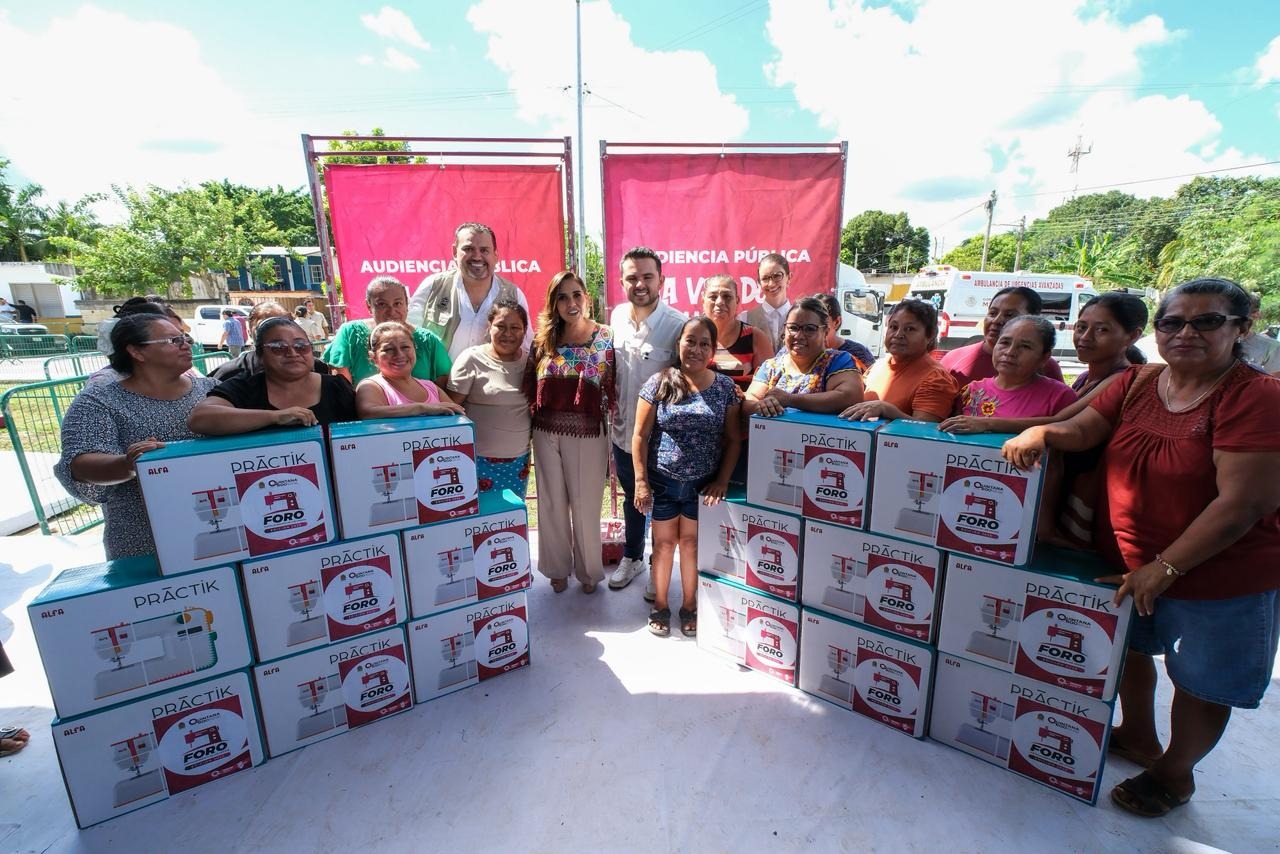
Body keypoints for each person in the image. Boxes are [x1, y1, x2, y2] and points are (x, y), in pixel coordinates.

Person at [1002, 278, 1280, 819]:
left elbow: (1242, 504)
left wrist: (1166, 566)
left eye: (1206, 321)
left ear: (1242, 328)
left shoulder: (1257, 397)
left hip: (1218, 574)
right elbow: (1083, 428)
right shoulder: (1139, 381)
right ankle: (1138, 735)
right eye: (1172, 322)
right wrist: (1045, 434)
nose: (1186, 333)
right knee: (1129, 652)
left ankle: (1175, 773)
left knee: (1199, 683)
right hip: (1127, 564)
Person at [54, 314, 215, 559]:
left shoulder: (213, 390)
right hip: (143, 537)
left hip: (216, 523)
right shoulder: (99, 401)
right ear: (136, 352)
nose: (186, 345)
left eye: (185, 338)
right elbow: (79, 464)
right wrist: (128, 464)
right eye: (174, 340)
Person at [633, 317, 741, 637]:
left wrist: (722, 481)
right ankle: (661, 605)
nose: (696, 349)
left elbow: (734, 439)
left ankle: (690, 606)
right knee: (664, 545)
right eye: (690, 341)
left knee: (692, 545)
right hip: (663, 482)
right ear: (679, 343)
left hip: (701, 485)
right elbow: (640, 436)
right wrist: (641, 481)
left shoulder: (725, 389)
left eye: (704, 344)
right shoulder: (659, 383)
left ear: (713, 350)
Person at [526, 271, 615, 594]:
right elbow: (530, 385)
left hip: (587, 430)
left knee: (586, 504)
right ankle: (557, 567)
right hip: (545, 429)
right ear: (554, 303)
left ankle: (589, 571)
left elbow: (611, 384)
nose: (571, 303)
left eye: (576, 294)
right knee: (551, 503)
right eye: (562, 297)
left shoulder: (605, 336)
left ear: (586, 297)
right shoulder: (543, 340)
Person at [607, 247, 687, 593]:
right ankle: (633, 556)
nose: (639, 284)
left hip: (660, 439)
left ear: (661, 280)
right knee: (632, 497)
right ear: (622, 281)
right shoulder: (616, 317)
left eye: (647, 277)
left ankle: (659, 565)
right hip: (623, 432)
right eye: (632, 277)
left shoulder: (677, 325)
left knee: (662, 503)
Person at [188, 317, 356, 433]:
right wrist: (275, 417)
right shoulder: (245, 386)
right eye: (278, 347)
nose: (292, 353)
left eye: (301, 346)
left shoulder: (337, 386)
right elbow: (199, 419)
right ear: (260, 355)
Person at [447, 299, 534, 497]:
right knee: (478, 515)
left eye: (515, 328)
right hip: (475, 460)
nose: (508, 333)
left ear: (524, 331)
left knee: (512, 513)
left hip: (518, 463)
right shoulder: (471, 359)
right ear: (489, 327)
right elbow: (451, 409)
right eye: (500, 326)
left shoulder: (531, 363)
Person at [407, 222, 533, 359]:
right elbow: (408, 336)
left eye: (484, 250)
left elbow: (526, 349)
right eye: (468, 249)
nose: (477, 257)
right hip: (438, 374)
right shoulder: (433, 286)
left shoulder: (514, 295)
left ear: (496, 255)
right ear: (454, 252)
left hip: (493, 373)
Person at [941, 316, 1077, 432]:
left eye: (1025, 346)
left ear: (1044, 357)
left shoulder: (1060, 397)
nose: (1010, 352)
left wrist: (988, 424)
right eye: (1005, 342)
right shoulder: (972, 391)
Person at [840, 300, 958, 423]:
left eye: (910, 329)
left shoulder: (936, 379)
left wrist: (886, 409)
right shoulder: (878, 366)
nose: (898, 334)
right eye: (893, 327)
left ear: (930, 335)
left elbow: (924, 429)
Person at [744, 297, 864, 418]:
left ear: (825, 332)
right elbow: (750, 400)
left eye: (810, 329)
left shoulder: (838, 361)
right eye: (793, 328)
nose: (799, 336)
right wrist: (761, 406)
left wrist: (790, 399)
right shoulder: (771, 367)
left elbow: (850, 397)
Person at [324, 275, 451, 387]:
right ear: (369, 306)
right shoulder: (350, 333)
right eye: (382, 304)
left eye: (398, 303)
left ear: (407, 304)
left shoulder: (428, 341)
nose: (391, 311)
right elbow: (341, 385)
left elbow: (442, 387)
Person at [940, 286, 1065, 387]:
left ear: (1032, 318)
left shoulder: (1046, 366)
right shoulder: (954, 359)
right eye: (992, 313)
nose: (997, 320)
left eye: (1010, 315)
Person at [356, 321, 463, 419]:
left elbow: (459, 417)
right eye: (388, 349)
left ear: (415, 349)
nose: (399, 354)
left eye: (405, 347)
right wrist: (422, 408)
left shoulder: (431, 387)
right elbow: (367, 413)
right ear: (373, 357)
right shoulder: (372, 386)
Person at [208, 301, 334, 382]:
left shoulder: (317, 368)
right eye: (266, 327)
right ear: (250, 332)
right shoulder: (229, 375)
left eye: (285, 324)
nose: (277, 333)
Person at [702, 274, 773, 389]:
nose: (719, 302)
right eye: (713, 297)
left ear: (737, 300)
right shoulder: (692, 335)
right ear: (703, 300)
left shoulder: (755, 337)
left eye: (727, 296)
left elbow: (769, 383)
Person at [1071, 292, 1149, 395]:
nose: (1085, 337)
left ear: (1132, 336)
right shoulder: (1084, 378)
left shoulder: (1123, 382)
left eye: (1102, 329)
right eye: (1081, 327)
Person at [740, 252, 793, 353]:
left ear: (789, 277)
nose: (771, 284)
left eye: (777, 276)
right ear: (759, 283)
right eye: (765, 278)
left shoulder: (801, 317)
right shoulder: (745, 319)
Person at [813, 292, 876, 372]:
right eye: (808, 326)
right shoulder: (806, 354)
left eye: (821, 322)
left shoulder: (858, 353)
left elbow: (873, 378)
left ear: (837, 322)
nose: (814, 329)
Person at [1241, 292, 1280, 374]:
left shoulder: (1272, 348)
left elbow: (1274, 379)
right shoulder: (1216, 342)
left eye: (1241, 314)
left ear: (1256, 314)